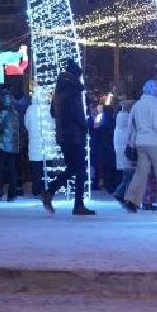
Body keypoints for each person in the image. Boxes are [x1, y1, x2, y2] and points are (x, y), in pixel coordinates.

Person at [41, 59, 96, 215]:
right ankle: (72, 202)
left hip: (63, 135)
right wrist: (86, 127)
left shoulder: (59, 91)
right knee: (78, 169)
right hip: (74, 136)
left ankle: (52, 193)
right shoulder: (73, 91)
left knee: (75, 168)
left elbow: (53, 113)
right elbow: (77, 114)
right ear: (75, 76)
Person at [123, 79, 157, 215]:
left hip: (141, 142)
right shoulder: (156, 105)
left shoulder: (137, 105)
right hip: (156, 143)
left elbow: (131, 124)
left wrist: (132, 140)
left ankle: (131, 199)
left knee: (141, 172)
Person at [0, 86, 26, 202]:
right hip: (13, 147)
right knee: (11, 170)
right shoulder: (15, 113)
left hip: (1, 146)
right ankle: (12, 194)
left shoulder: (2, 113)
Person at [111, 98, 137, 201]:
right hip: (129, 152)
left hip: (121, 152)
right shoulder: (130, 120)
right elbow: (133, 136)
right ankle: (122, 194)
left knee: (127, 176)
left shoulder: (119, 121)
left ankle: (122, 194)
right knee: (130, 176)